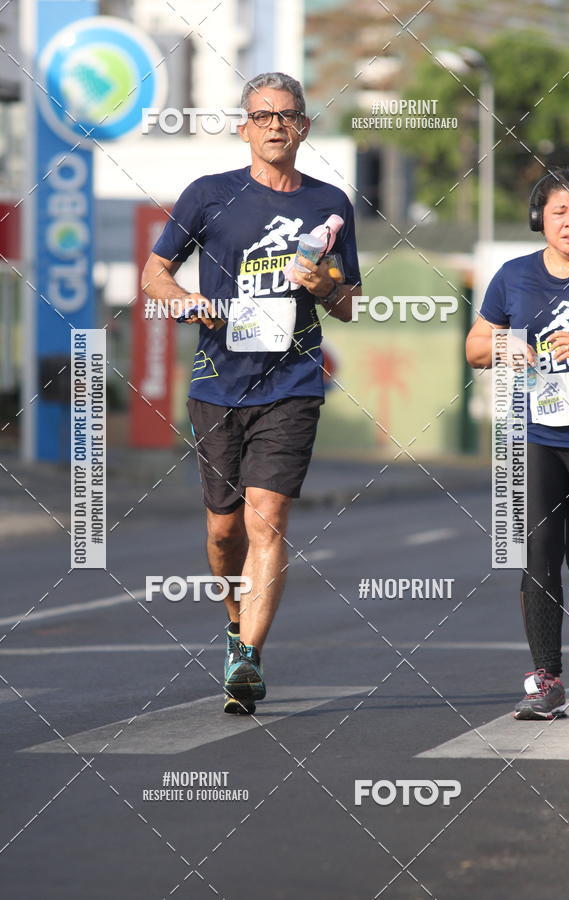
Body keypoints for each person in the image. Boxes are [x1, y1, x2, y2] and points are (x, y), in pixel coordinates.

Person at [142, 72, 362, 715]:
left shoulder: (330, 204)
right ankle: (235, 624)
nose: (275, 125)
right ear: (244, 126)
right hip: (218, 383)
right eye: (262, 115)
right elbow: (155, 272)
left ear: (304, 127)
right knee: (222, 532)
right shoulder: (209, 196)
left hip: (292, 383)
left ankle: (249, 658)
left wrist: (321, 283)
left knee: (268, 517)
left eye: (287, 115)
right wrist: (184, 303)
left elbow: (348, 302)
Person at [466, 166, 569, 720]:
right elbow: (475, 346)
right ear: (539, 218)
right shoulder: (513, 276)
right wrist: (504, 346)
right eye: (559, 211)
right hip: (531, 435)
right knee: (536, 552)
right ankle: (545, 679)